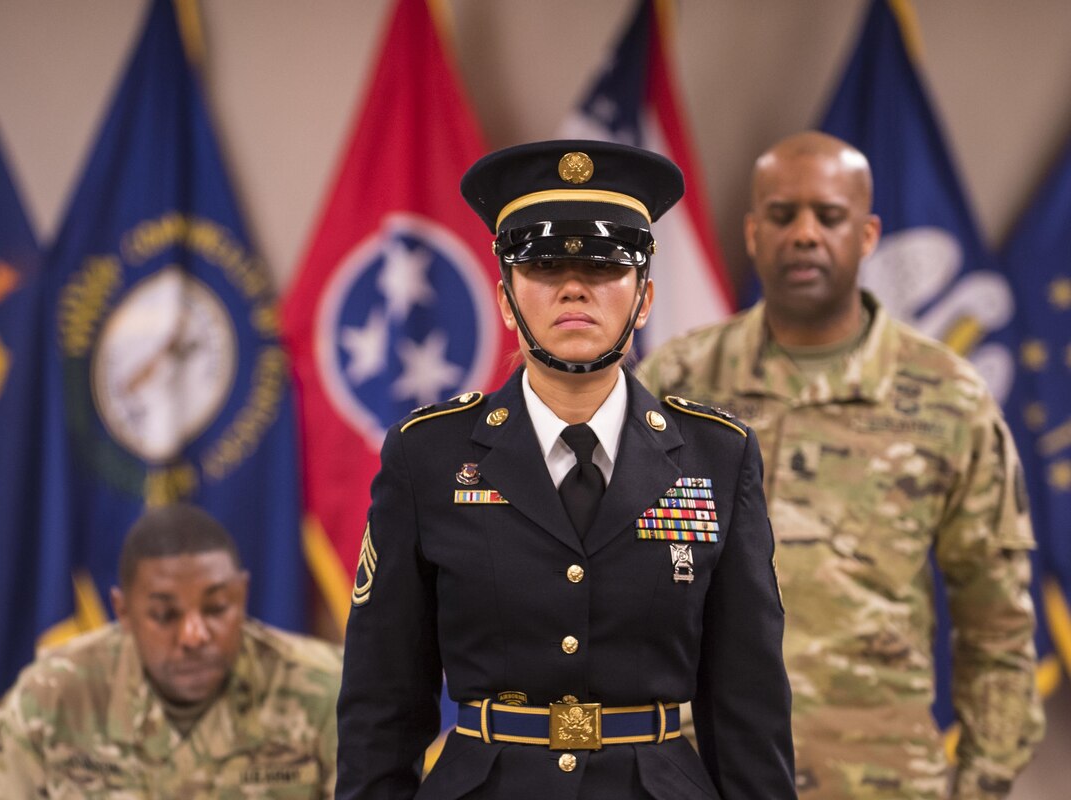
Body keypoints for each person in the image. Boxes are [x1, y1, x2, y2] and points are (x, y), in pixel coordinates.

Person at [336, 140, 795, 800]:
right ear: (504, 298)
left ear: (643, 300)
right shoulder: (429, 457)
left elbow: (748, 708)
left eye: (606, 266)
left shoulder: (716, 457)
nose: (575, 286)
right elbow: (381, 705)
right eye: (545, 265)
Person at [637, 131, 1045, 800]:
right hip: (697, 773)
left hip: (879, 778)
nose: (804, 234)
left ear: (867, 234)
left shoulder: (949, 397)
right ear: (752, 231)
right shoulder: (677, 381)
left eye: (829, 216)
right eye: (782, 214)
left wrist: (983, 783)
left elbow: (996, 621)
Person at [0, 503, 342, 798]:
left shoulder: (326, 691)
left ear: (242, 594)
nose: (194, 635)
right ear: (124, 611)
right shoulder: (52, 698)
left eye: (216, 608)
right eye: (165, 614)